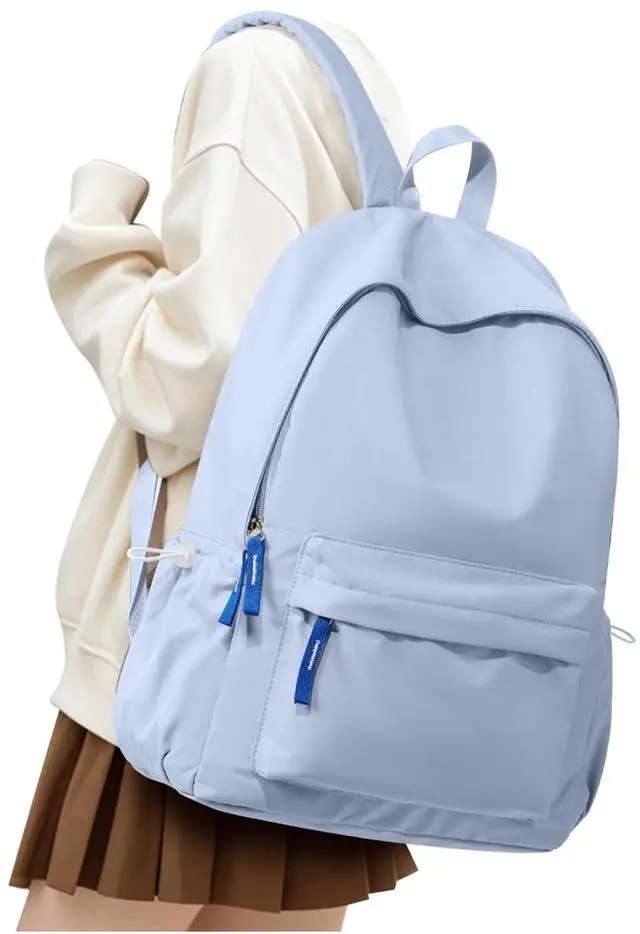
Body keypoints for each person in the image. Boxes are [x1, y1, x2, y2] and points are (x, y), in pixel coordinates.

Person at [11, 20, 417, 933]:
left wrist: (92, 247)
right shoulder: (354, 78)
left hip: (197, 630)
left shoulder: (254, 70)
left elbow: (192, 374)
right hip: (315, 653)